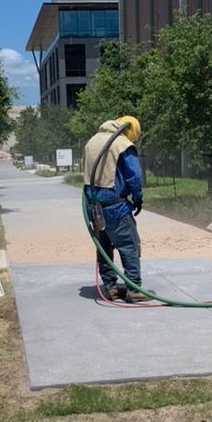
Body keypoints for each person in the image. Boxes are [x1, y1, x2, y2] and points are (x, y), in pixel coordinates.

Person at [82, 114, 145, 302]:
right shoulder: (122, 144)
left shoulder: (91, 142)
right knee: (129, 245)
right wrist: (138, 197)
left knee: (104, 246)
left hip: (93, 207)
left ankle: (110, 288)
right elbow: (134, 175)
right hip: (115, 206)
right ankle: (133, 289)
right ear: (131, 130)